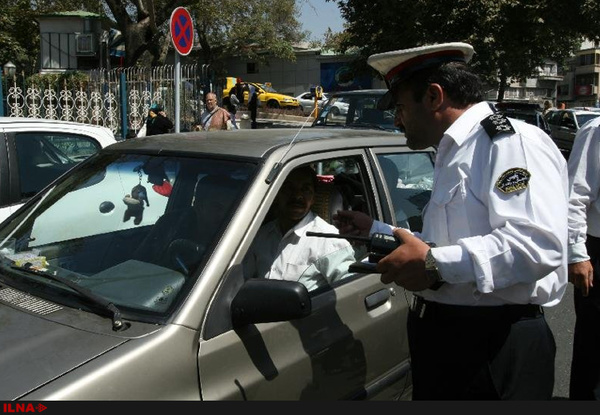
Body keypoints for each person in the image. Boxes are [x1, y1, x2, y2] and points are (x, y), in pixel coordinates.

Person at [333, 42, 569, 400]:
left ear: (433, 96)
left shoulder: (507, 143)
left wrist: (433, 263)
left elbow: (536, 246)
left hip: (493, 344)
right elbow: (445, 242)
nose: (397, 120)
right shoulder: (454, 150)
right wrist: (376, 231)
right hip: (448, 338)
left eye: (400, 107)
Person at [243, 165, 356, 292]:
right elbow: (242, 280)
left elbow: (350, 291)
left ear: (313, 198)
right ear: (276, 194)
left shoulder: (329, 240)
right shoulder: (261, 235)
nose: (297, 196)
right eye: (289, 188)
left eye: (305, 189)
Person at [566, 116, 600, 400]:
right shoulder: (596, 130)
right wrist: (577, 253)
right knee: (595, 345)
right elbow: (575, 195)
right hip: (598, 248)